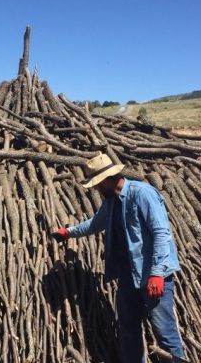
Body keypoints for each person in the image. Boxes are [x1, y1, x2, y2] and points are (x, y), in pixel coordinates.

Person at [51, 153, 186, 363]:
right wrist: (68, 232)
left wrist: (157, 273)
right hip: (129, 276)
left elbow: (161, 233)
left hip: (152, 276)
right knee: (128, 330)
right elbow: (95, 224)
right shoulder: (112, 201)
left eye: (96, 184)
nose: (96, 189)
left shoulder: (142, 194)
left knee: (165, 333)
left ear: (105, 180)